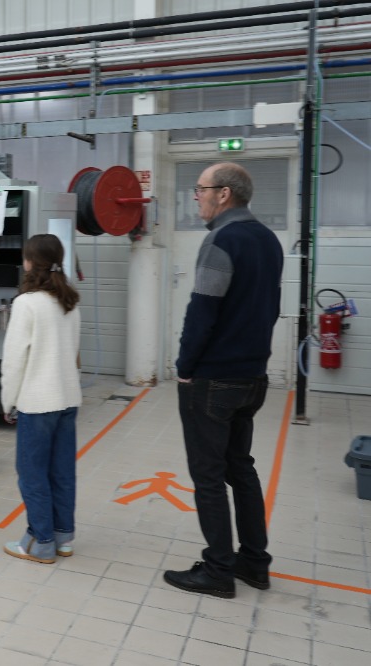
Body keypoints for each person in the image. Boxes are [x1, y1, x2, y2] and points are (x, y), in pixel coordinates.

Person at [163, 162, 283, 598]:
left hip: (214, 380)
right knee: (241, 468)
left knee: (209, 476)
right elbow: (270, 309)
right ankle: (255, 563)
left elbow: (202, 312)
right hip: (253, 377)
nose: (197, 196)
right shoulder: (269, 241)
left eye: (201, 189)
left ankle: (217, 571)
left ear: (224, 194)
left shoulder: (221, 240)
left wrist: (185, 366)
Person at [0, 234, 82, 564]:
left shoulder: (26, 303)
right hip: (67, 398)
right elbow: (73, 353)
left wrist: (8, 401)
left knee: (32, 473)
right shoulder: (70, 303)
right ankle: (63, 538)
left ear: (31, 262)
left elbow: (15, 359)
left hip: (37, 402)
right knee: (61, 472)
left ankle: (40, 541)